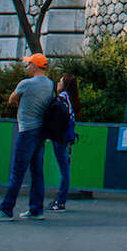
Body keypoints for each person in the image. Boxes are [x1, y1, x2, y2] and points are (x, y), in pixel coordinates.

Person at [0, 52, 54, 221]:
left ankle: (6, 209)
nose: (27, 66)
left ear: (36, 66)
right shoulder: (50, 84)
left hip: (27, 130)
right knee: (37, 171)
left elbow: (11, 99)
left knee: (18, 171)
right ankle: (36, 209)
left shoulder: (26, 84)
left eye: (29, 64)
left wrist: (19, 103)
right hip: (41, 130)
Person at [48, 73, 81, 213]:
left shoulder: (62, 98)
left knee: (64, 170)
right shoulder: (71, 98)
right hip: (67, 136)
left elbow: (56, 116)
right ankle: (60, 200)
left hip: (59, 136)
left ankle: (60, 201)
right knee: (65, 168)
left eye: (60, 81)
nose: (58, 83)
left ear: (64, 84)